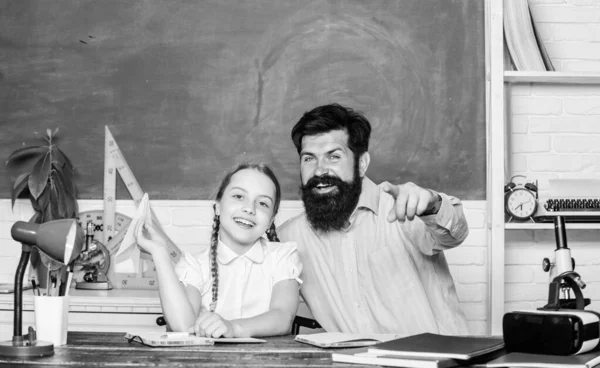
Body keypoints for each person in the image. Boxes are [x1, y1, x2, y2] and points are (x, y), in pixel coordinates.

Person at [278, 103, 470, 336]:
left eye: (333, 156)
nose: (319, 171)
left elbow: (453, 235)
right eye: (309, 159)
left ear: (361, 164)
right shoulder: (288, 239)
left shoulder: (404, 209)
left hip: (435, 362)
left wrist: (432, 203)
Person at [135, 163, 302, 338]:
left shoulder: (282, 257)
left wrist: (232, 328)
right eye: (238, 196)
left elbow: (283, 317)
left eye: (262, 203)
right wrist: (159, 253)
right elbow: (183, 326)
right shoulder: (195, 265)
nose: (249, 209)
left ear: (270, 221)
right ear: (218, 206)